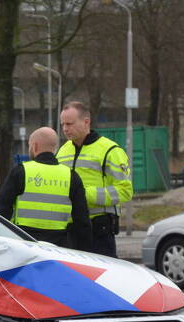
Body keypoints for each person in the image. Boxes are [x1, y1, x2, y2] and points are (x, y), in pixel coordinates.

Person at [0, 127, 92, 250]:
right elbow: (82, 220)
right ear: (54, 149)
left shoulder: (21, 171)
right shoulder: (71, 176)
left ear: (34, 146)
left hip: (25, 244)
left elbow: (1, 211)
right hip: (59, 246)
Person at [56, 101, 133, 257]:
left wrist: (84, 195)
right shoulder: (63, 150)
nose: (65, 129)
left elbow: (125, 191)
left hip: (98, 231)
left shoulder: (110, 150)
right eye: (63, 124)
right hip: (69, 230)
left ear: (86, 122)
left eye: (69, 124)